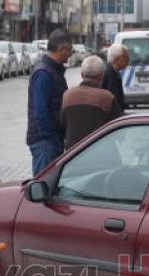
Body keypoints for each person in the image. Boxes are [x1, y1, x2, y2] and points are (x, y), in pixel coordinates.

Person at [26, 29, 72, 175]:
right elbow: (41, 112)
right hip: (45, 142)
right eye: (70, 50)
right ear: (61, 49)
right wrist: (52, 137)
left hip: (52, 140)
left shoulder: (54, 72)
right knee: (43, 183)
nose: (71, 54)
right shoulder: (44, 74)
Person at [61, 56, 123, 150]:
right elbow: (118, 125)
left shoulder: (67, 95)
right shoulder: (107, 97)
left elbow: (62, 124)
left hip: (74, 152)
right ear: (102, 75)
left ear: (81, 74)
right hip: (100, 150)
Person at [101, 43, 129, 111]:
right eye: (126, 57)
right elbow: (113, 100)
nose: (128, 60)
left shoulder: (114, 72)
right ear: (117, 58)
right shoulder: (109, 74)